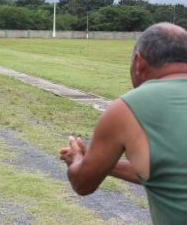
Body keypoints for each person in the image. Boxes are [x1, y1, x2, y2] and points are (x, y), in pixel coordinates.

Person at [59, 22, 187, 224]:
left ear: (139, 62)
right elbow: (165, 171)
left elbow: (83, 183)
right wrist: (101, 162)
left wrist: (77, 159)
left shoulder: (127, 108)